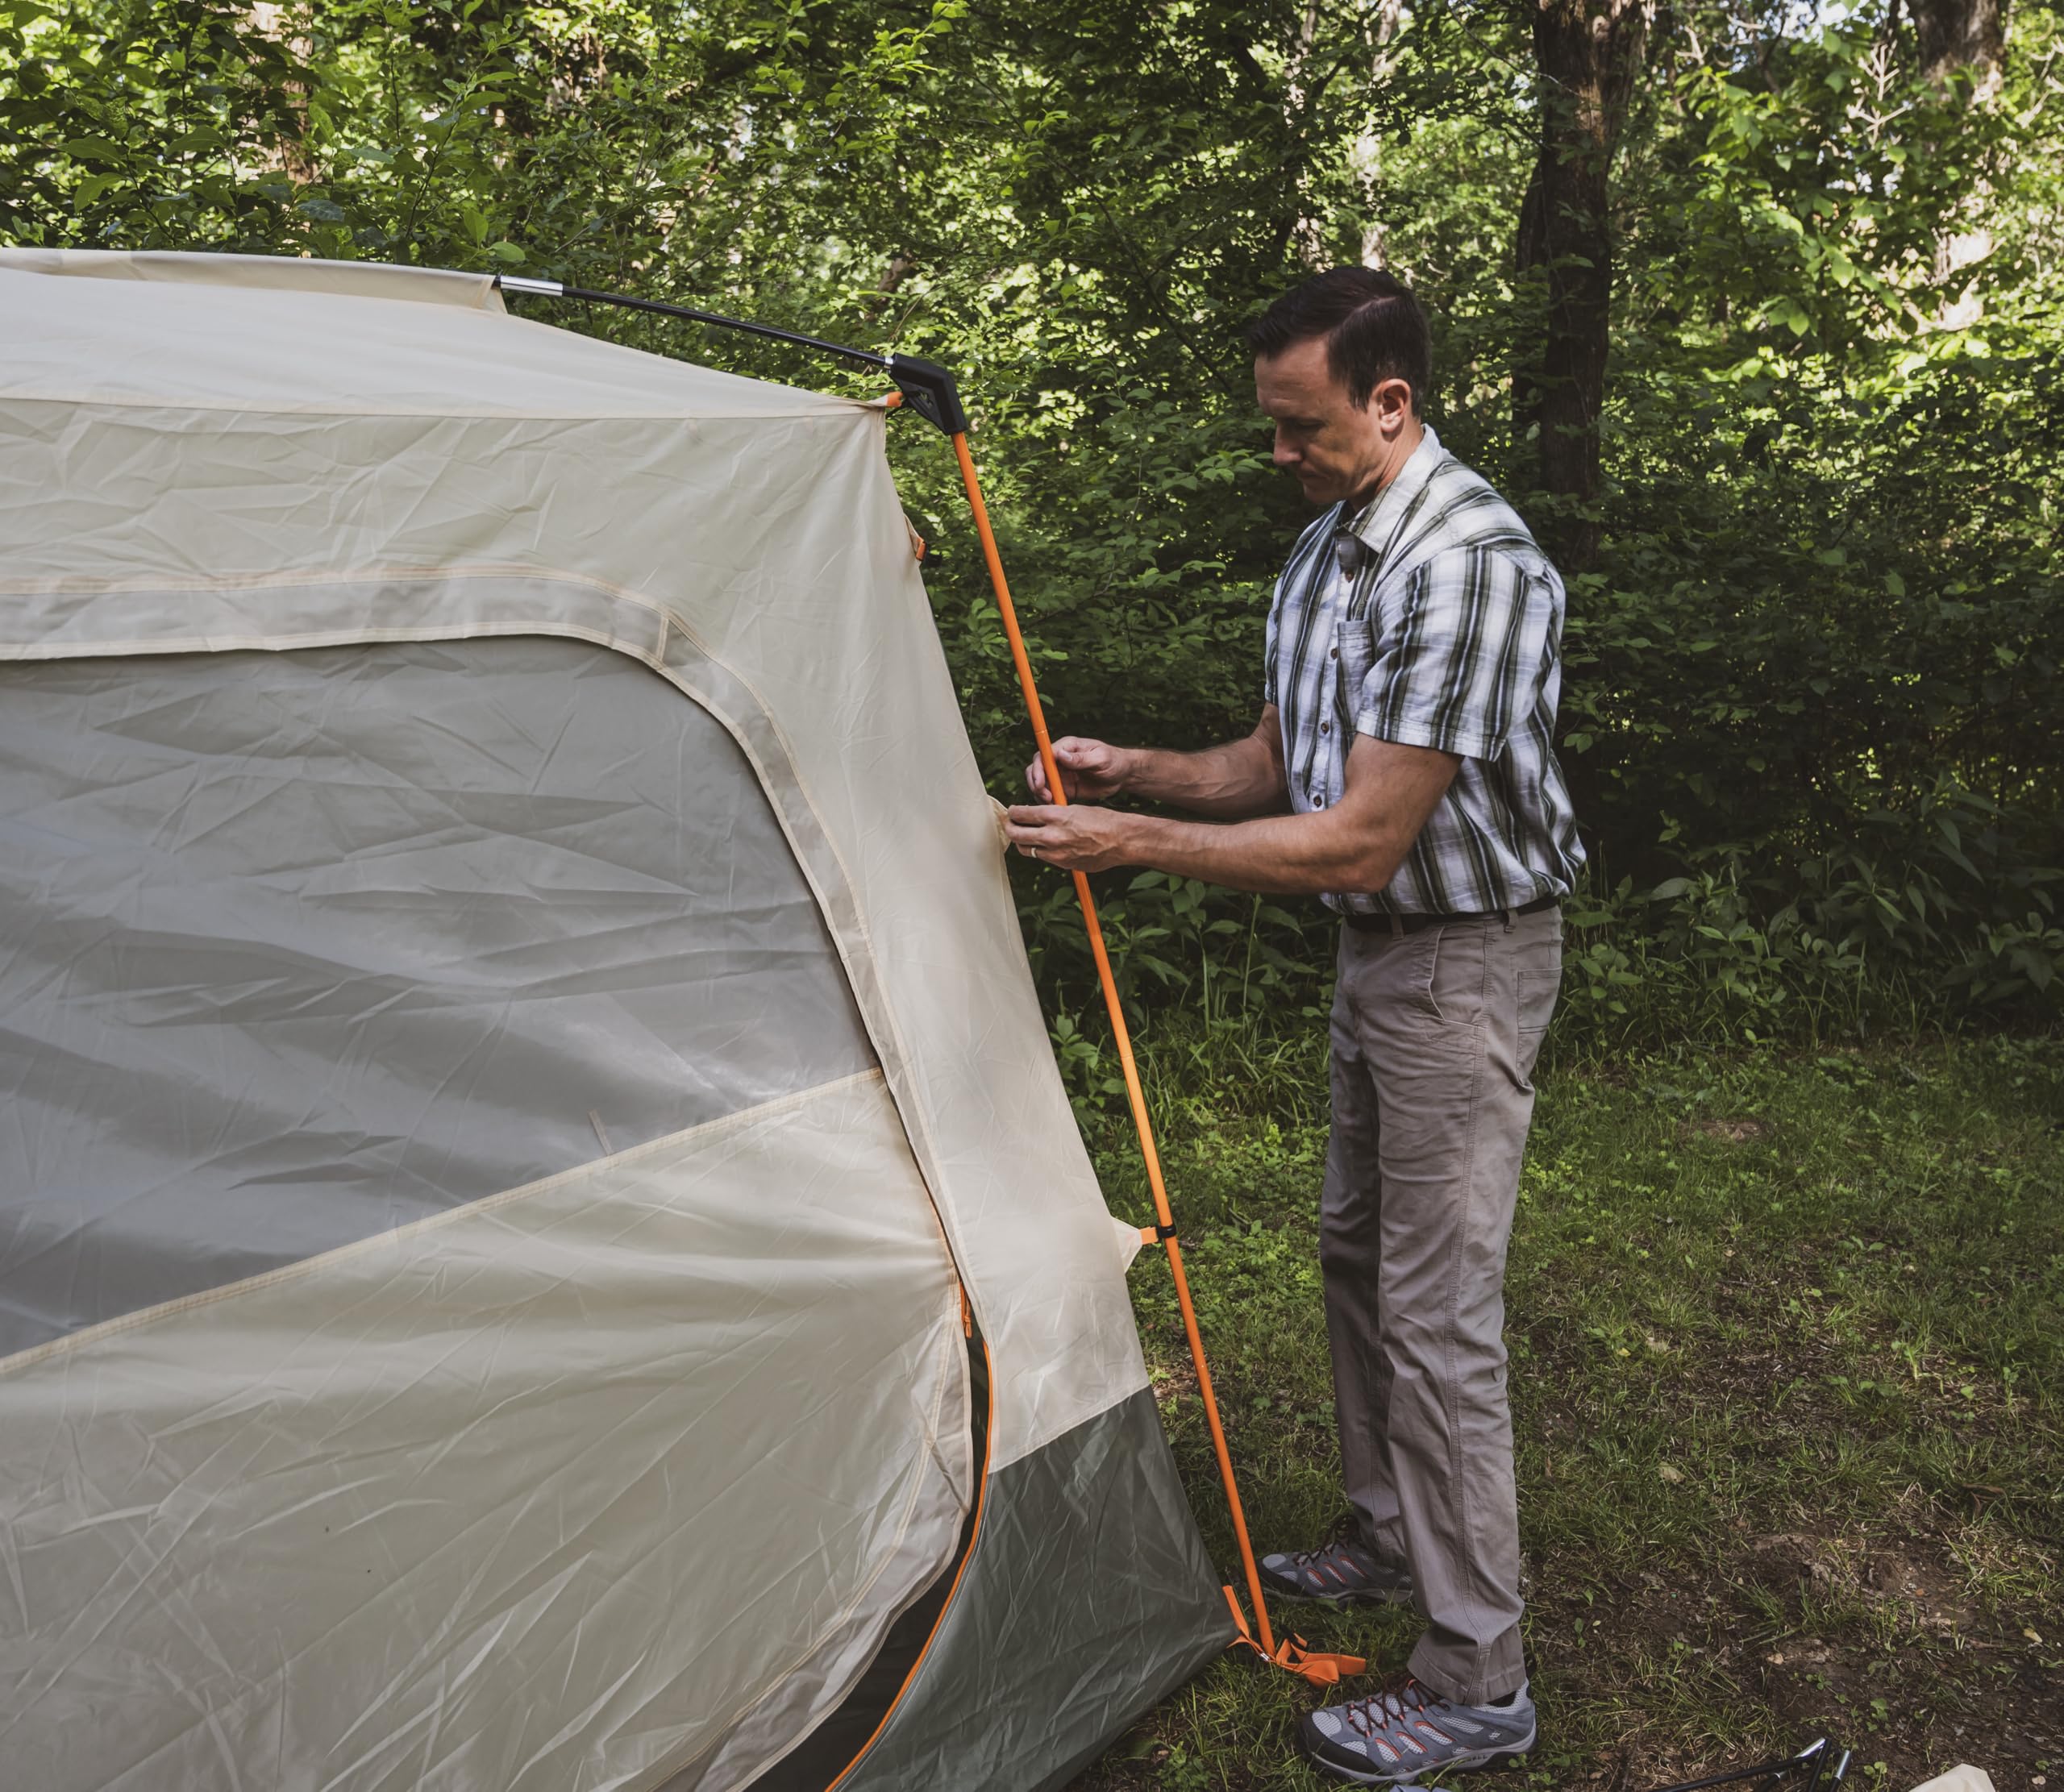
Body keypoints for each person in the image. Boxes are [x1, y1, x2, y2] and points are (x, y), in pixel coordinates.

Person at [1004, 266, 1584, 1785]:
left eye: (1301, 426)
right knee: (1354, 1254)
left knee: (1439, 1313)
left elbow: (1360, 838)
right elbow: (1280, 765)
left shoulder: (1468, 561)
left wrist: (1124, 854)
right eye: (1272, 429)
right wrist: (1131, 773)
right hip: (1380, 960)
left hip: (1463, 959)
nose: (1280, 455)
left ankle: (1478, 1680)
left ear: (1389, 403)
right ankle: (1392, 1537)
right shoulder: (1334, 549)